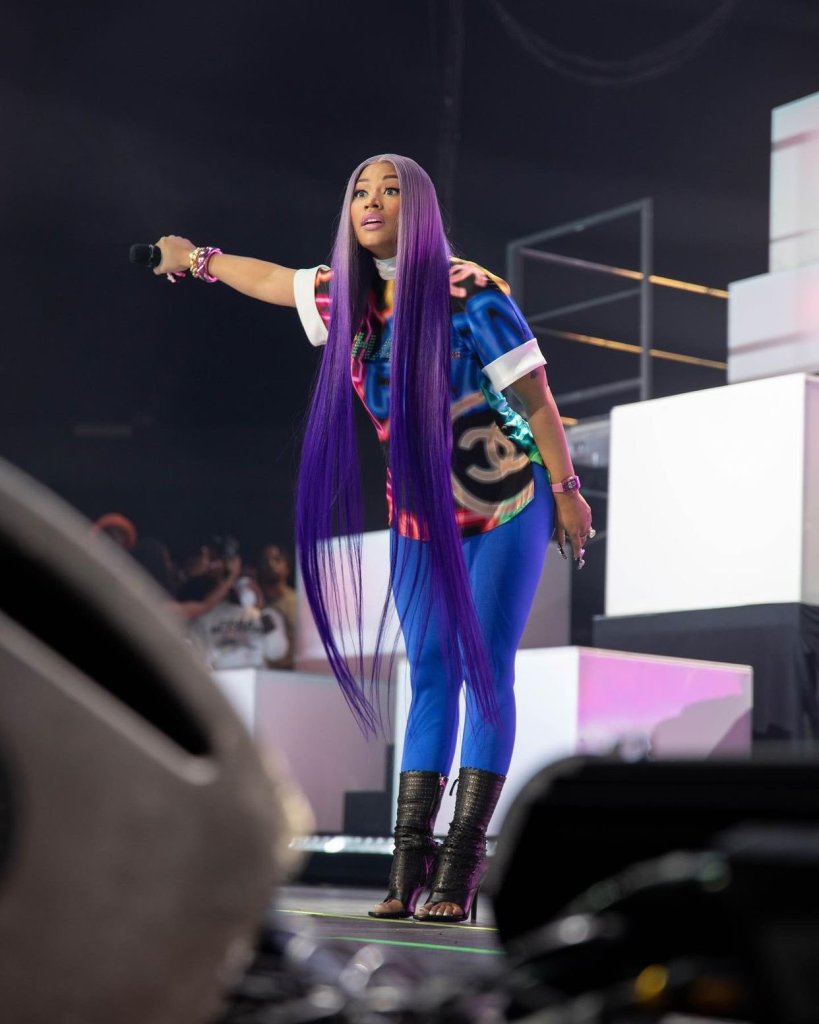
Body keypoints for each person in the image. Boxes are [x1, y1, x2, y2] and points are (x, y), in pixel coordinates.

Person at [150, 153, 593, 923]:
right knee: (430, 677)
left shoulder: (472, 291)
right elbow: (271, 280)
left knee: (484, 673)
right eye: (361, 190)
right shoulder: (344, 296)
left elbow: (535, 396)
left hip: (505, 504)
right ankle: (406, 870)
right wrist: (195, 259)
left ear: (417, 209)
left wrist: (566, 490)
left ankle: (458, 871)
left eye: (390, 190)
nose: (372, 201)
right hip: (418, 518)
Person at [257, 544, 298, 670]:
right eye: (266, 561)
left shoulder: (298, 602)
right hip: (260, 672)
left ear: (287, 568)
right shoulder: (251, 601)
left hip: (293, 672)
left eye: (277, 559)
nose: (270, 564)